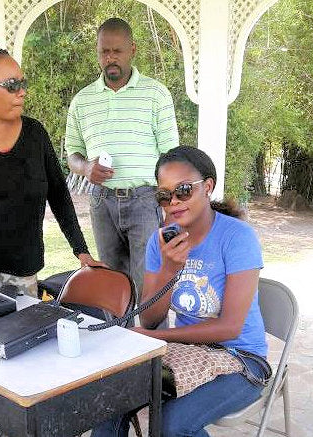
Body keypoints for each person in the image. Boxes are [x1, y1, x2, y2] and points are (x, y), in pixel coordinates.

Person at [0, 44, 103, 437]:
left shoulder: (34, 134)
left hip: (22, 277)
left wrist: (81, 251)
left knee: (20, 372)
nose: (22, 91)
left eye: (23, 82)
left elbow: (59, 194)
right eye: (11, 84)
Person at [91, 145, 268, 437]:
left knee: (171, 424)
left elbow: (230, 327)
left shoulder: (237, 237)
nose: (173, 201)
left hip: (242, 361)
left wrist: (157, 338)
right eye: (164, 195)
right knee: (109, 399)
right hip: (188, 354)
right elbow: (148, 318)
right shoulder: (159, 242)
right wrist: (169, 270)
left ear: (207, 187)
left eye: (184, 190)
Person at [65, 18, 179, 299]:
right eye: (104, 51)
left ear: (132, 50)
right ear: (98, 53)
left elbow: (171, 159)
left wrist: (169, 207)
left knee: (149, 287)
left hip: (145, 201)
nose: (110, 58)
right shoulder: (83, 100)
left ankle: (156, 342)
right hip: (101, 202)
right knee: (113, 289)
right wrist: (86, 167)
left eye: (117, 51)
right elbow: (72, 155)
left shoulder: (156, 94)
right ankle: (118, 341)